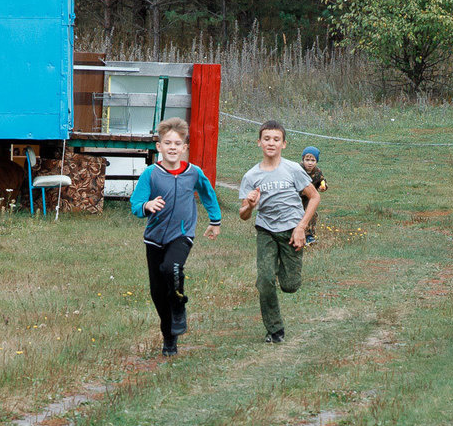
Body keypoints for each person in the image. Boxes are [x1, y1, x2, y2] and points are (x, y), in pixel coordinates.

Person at [130, 118, 224, 356]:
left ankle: (179, 304)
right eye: (167, 143)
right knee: (157, 292)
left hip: (182, 234)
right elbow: (135, 204)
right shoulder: (151, 174)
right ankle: (169, 336)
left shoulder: (193, 173)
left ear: (184, 148)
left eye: (177, 143)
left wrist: (215, 220)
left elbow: (208, 194)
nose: (172, 147)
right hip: (154, 238)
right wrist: (147, 205)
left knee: (171, 267)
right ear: (159, 147)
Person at [238, 120, 320, 343]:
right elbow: (243, 214)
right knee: (265, 280)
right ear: (259, 142)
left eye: (276, 139)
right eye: (266, 139)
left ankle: (282, 267)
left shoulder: (293, 169)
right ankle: (275, 330)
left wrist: (301, 228)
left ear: (283, 144)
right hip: (266, 230)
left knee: (290, 285)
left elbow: (314, 197)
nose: (271, 143)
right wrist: (250, 205)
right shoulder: (251, 176)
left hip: (292, 231)